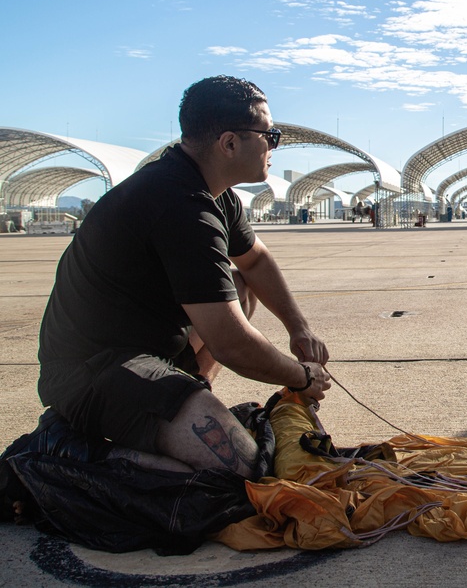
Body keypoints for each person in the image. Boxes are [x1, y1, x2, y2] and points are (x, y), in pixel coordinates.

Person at [35, 76, 333, 479]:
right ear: (229, 143)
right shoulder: (181, 205)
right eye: (271, 135)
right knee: (239, 468)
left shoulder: (214, 192)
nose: (274, 146)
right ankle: (62, 453)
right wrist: (302, 377)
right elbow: (231, 343)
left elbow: (255, 261)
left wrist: (299, 328)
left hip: (148, 349)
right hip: (95, 373)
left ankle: (189, 394)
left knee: (237, 283)